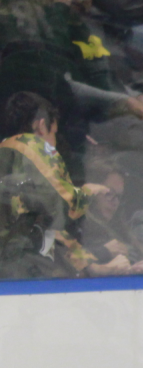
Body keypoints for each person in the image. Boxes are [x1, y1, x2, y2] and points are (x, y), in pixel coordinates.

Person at [0, 91, 100, 276]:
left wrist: (91, 264)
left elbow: (53, 230)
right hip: (22, 263)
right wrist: (89, 192)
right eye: (53, 132)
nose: (54, 143)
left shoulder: (5, 152)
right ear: (41, 125)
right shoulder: (34, 147)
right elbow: (66, 205)